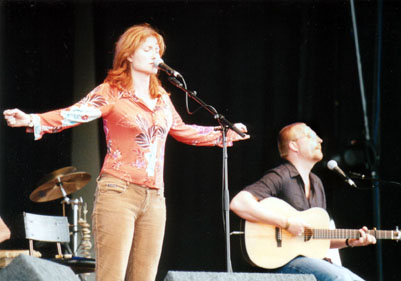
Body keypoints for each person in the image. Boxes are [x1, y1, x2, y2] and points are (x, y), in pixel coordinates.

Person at [4, 23, 248, 281]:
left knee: (144, 277)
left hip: (155, 198)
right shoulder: (111, 92)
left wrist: (222, 134)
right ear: (129, 54)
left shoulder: (162, 97)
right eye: (148, 49)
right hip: (119, 192)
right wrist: (32, 119)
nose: (156, 56)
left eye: (158, 50)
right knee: (112, 276)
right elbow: (74, 114)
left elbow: (180, 130)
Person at [230, 122, 375, 281]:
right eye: (311, 136)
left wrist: (350, 241)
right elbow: (239, 203)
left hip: (309, 261)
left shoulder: (317, 183)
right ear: (294, 146)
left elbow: (317, 239)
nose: (320, 140)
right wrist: (286, 223)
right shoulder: (280, 176)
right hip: (282, 263)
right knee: (340, 277)